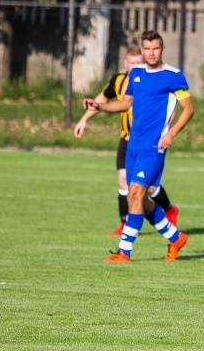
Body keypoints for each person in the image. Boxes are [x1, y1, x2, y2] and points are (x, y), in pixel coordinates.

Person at [82, 30, 194, 263]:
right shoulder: (136, 74)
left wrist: (171, 133)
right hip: (133, 145)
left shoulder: (173, 76)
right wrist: (99, 107)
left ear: (162, 49)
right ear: (142, 50)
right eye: (147, 49)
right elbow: (125, 104)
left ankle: (124, 252)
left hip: (154, 147)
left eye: (156, 48)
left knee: (134, 193)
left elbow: (189, 109)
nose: (151, 53)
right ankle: (176, 238)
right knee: (139, 200)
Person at [73, 46, 179, 237]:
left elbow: (169, 108)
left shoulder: (153, 81)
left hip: (149, 144)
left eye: (138, 63)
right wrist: (84, 119)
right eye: (132, 63)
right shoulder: (119, 81)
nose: (135, 66)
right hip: (127, 141)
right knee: (125, 182)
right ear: (125, 63)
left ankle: (169, 211)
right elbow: (102, 99)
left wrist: (168, 132)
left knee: (148, 188)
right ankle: (125, 225)